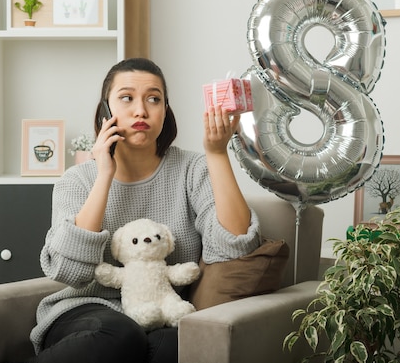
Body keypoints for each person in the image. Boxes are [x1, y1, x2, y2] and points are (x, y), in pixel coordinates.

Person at [28, 58, 260, 363]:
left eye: (154, 99)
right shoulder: (77, 180)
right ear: (105, 112)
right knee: (122, 334)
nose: (141, 110)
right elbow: (68, 269)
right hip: (85, 310)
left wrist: (216, 153)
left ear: (166, 110)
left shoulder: (192, 170)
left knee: (177, 348)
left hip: (161, 312)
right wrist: (104, 175)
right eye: (127, 98)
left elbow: (234, 248)